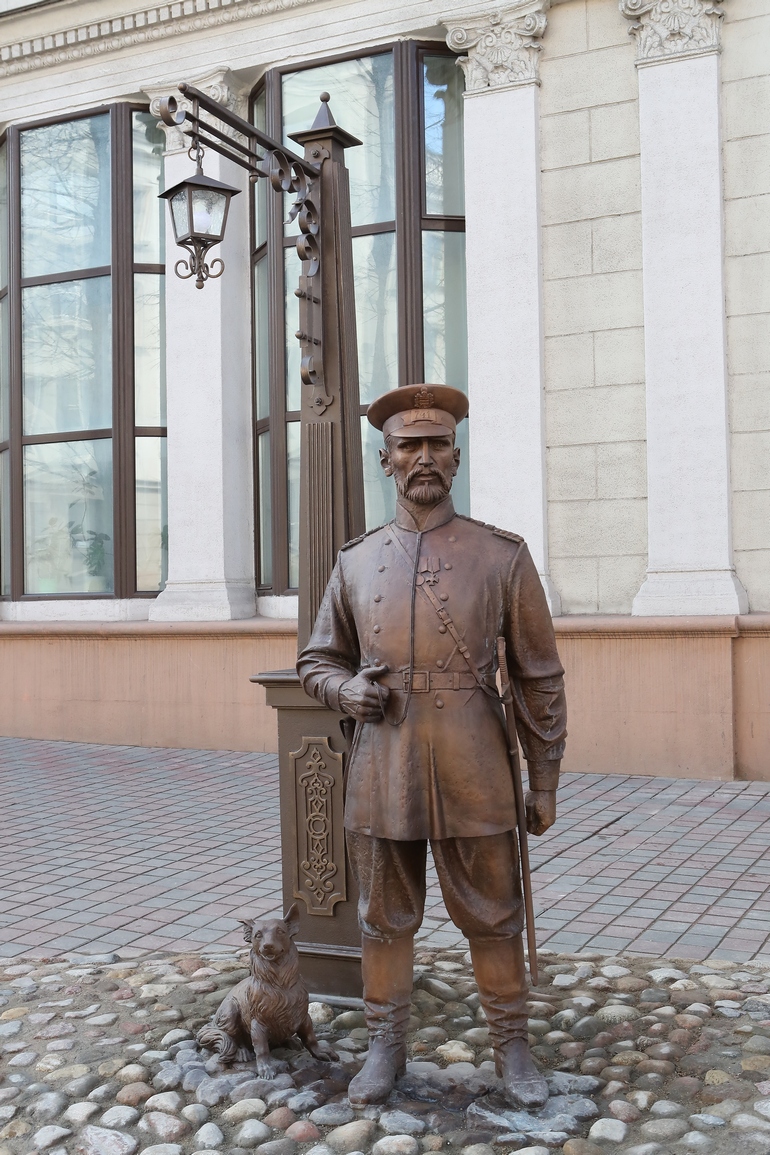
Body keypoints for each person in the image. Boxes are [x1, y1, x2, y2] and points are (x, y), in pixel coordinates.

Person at [297, 384, 567, 1108]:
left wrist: (543, 781)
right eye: (408, 446)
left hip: (475, 759)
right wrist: (345, 690)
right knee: (384, 915)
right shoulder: (355, 563)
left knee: (494, 911)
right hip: (385, 762)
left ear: (456, 454)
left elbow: (539, 677)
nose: (423, 458)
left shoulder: (501, 554)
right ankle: (385, 1042)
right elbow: (316, 659)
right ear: (385, 459)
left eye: (436, 444)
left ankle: (512, 1044)